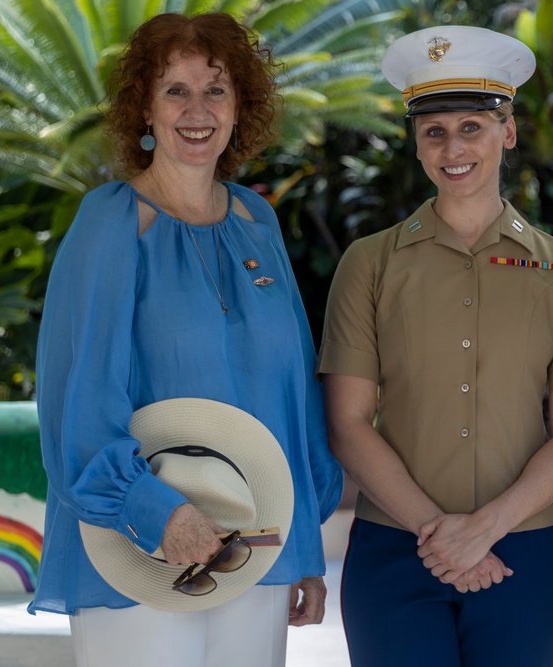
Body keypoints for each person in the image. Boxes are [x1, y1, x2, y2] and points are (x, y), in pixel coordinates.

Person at [29, 12, 342, 666]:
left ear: (239, 108)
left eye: (216, 89)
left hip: (253, 542)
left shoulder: (258, 221)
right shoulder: (111, 224)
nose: (197, 109)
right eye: (176, 90)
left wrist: (302, 550)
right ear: (143, 107)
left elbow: (294, 398)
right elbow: (77, 401)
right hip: (139, 548)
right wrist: (156, 511)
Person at [316, 25, 553, 667]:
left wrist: (483, 530)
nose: (454, 148)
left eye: (472, 127)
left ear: (507, 132)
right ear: (416, 145)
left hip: (522, 554)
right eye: (435, 131)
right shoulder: (370, 264)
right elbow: (346, 421)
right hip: (394, 553)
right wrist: (440, 535)